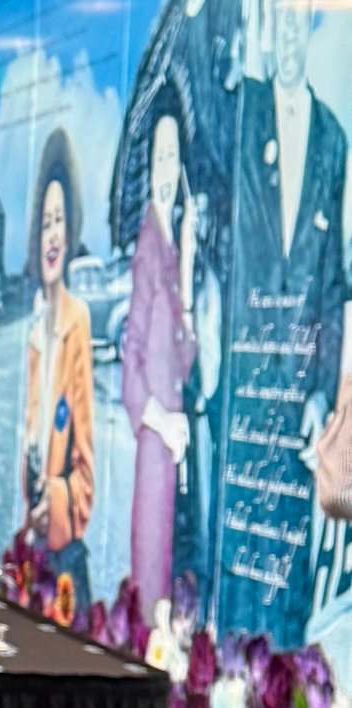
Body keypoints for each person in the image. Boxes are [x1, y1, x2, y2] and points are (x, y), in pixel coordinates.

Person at [218, 0, 350, 646]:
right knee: (238, 593)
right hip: (243, 415)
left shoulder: (333, 138)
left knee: (286, 600)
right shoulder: (242, 117)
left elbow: (332, 286)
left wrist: (322, 395)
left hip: (297, 417)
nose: (289, 6)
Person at [123, 109, 198, 624]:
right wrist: (159, 418)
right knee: (152, 571)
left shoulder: (171, 245)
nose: (167, 169)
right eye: (160, 158)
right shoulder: (150, 248)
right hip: (157, 440)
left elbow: (183, 356)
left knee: (168, 568)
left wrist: (189, 269)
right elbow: (132, 356)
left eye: (174, 157)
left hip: (171, 438)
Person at [20, 130, 97, 613]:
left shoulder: (78, 322)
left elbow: (84, 469)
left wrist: (56, 501)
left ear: (70, 234)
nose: (52, 233)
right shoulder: (32, 335)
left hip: (62, 556)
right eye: (45, 221)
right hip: (32, 544)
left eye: (60, 220)